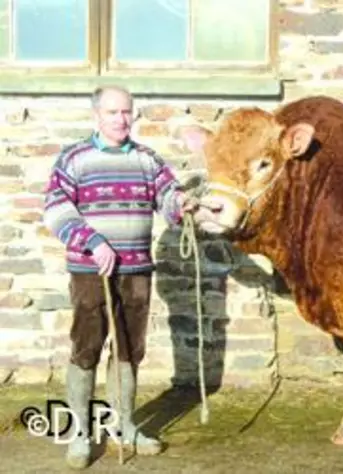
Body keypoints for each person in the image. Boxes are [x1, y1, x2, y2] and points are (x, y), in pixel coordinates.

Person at [42, 85, 197, 469]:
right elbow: (56, 208)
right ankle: (80, 433)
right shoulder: (74, 158)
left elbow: (167, 197)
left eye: (126, 112)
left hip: (136, 270)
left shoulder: (147, 159)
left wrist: (184, 204)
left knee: (130, 349)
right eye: (112, 112)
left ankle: (125, 426)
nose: (121, 119)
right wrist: (92, 241)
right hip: (90, 270)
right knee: (86, 347)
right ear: (97, 115)